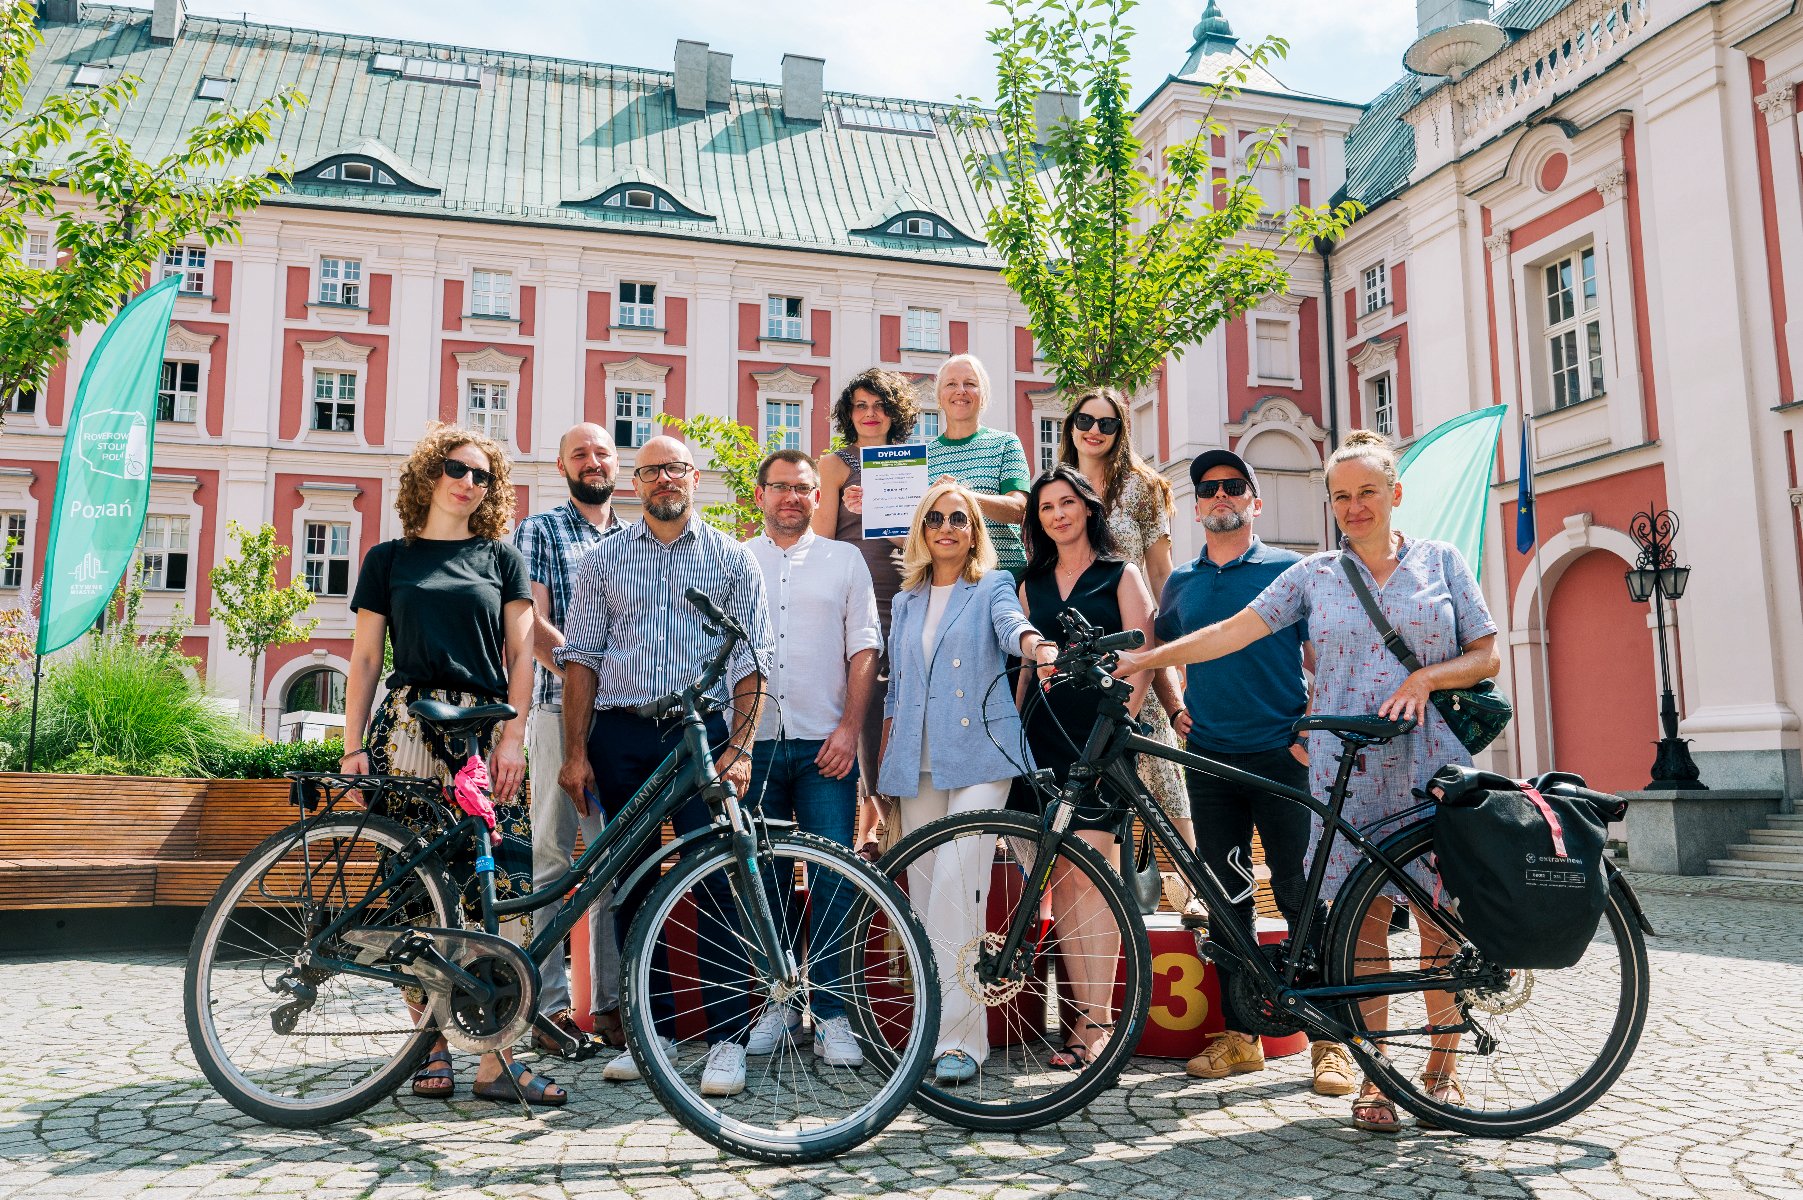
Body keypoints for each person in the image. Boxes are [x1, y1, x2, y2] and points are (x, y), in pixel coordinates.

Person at [1116, 429, 1501, 1134]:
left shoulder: (1441, 562)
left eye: (1367, 493)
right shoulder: (1315, 574)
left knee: (1442, 925)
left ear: (1395, 495)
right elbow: (1233, 631)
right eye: (1342, 496)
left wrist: (1425, 677)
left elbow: (1485, 657)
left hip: (1431, 762)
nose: (1355, 506)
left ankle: (1438, 1078)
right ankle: (1378, 1078)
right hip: (1349, 770)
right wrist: (1147, 660)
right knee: (1364, 930)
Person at [341, 424, 565, 1106]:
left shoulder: (501, 558)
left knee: (501, 887)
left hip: (485, 727)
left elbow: (521, 655)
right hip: (409, 725)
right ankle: (427, 1044)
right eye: (457, 468)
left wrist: (513, 737)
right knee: (414, 888)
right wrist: (352, 747)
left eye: (484, 475)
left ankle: (497, 1058)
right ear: (428, 474)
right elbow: (365, 659)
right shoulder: (388, 558)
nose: (469, 482)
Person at [554, 434, 774, 1099]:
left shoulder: (732, 559)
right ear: (636, 483)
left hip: (702, 736)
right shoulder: (601, 562)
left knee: (715, 886)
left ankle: (728, 1039)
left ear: (693, 476)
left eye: (673, 468)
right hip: (620, 737)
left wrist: (740, 748)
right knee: (631, 890)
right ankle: (659, 1034)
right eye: (649, 471)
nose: (662, 480)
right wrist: (572, 753)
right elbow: (581, 659)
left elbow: (752, 660)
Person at [1152, 447, 1355, 1097]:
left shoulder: (1288, 571)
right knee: (1226, 902)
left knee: (1299, 896)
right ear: (1195, 504)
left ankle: (1330, 1041)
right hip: (1208, 760)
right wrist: (1174, 707)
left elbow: (1327, 656)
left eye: (1232, 486)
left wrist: (1309, 734)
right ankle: (1241, 1038)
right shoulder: (1181, 582)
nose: (1219, 496)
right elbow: (1161, 653)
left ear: (1252, 501)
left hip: (1280, 757)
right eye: (1207, 488)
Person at [877, 479, 1058, 1085]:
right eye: (936, 518)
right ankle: (932, 1030)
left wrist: (1036, 644)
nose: (947, 527)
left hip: (982, 752)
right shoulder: (905, 600)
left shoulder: (992, 586)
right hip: (916, 762)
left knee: (960, 885)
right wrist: (882, 770)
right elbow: (896, 691)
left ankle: (963, 1041)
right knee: (925, 902)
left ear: (974, 529)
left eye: (959, 517)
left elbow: (1012, 628)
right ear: (923, 531)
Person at [743, 448, 883, 1066]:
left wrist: (851, 729)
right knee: (763, 878)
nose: (791, 498)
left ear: (817, 498)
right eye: (779, 488)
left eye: (802, 488)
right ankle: (774, 1003)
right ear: (760, 496)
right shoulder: (735, 558)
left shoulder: (844, 559)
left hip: (827, 744)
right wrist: (736, 743)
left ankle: (830, 1013)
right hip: (755, 748)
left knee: (833, 880)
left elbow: (864, 648)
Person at [1015, 466, 1155, 1069]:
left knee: (1094, 882)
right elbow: (1025, 670)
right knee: (1058, 884)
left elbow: (1144, 657)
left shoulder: (1121, 573)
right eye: (1046, 507)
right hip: (1040, 744)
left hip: (1098, 743)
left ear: (1088, 508)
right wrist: (1016, 735)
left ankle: (1096, 1027)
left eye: (1067, 502)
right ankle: (1075, 1020)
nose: (1057, 515)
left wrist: (1119, 727)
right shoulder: (1031, 582)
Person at [512, 422, 626, 1055]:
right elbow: (532, 624)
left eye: (601, 452)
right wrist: (593, 674)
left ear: (617, 464)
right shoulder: (541, 530)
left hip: (621, 723)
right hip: (560, 712)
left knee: (614, 864)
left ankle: (608, 1005)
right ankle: (548, 1005)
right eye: (579, 452)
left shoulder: (636, 538)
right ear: (561, 465)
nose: (592, 461)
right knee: (552, 858)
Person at [1059, 387, 1188, 840]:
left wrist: (1175, 652)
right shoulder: (1058, 486)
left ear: (1120, 432)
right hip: (1075, 644)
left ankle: (1192, 880)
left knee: (1158, 755)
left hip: (1134, 640)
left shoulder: (1142, 486)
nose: (1095, 431)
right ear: (1071, 425)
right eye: (1086, 421)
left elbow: (1161, 574)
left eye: (1107, 423)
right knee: (1080, 759)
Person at [811, 367, 915, 858]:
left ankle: (893, 824)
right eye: (860, 406)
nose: (870, 415)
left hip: (912, 595)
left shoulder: (912, 462)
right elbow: (823, 542)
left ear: (896, 413)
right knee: (866, 705)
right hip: (859, 600)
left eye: (880, 405)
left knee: (904, 709)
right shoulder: (834, 465)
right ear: (848, 414)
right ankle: (875, 827)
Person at [925, 354, 1031, 579]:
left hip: (1002, 574)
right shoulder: (923, 457)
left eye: (970, 384)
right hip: (945, 578)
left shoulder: (1006, 443)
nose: (960, 390)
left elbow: (1019, 510)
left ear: (983, 396)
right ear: (939, 397)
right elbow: (910, 528)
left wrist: (961, 496)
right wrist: (870, 506)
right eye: (951, 384)